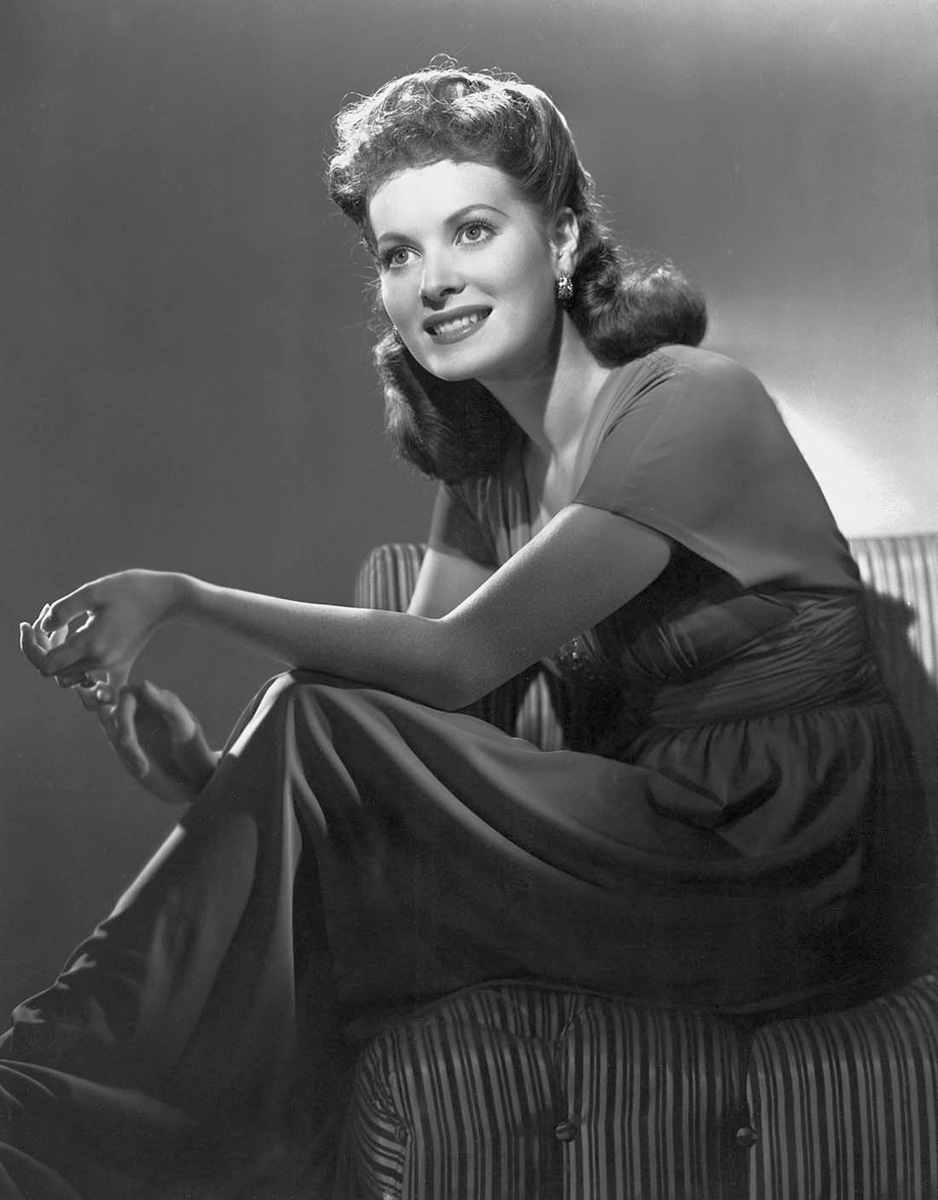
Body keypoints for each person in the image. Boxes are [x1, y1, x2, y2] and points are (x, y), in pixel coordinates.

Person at [1, 63, 931, 1199]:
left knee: (314, 724)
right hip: (649, 846)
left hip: (793, 867)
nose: (432, 279)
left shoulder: (691, 399)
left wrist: (185, 596)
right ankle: (64, 1130)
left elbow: (456, 663)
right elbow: (403, 725)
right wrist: (205, 776)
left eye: (472, 231)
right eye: (398, 254)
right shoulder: (484, 473)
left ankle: (34, 1114)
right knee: (313, 733)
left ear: (563, 239)